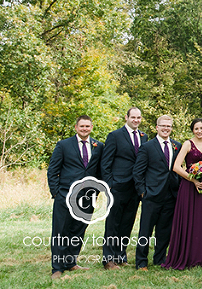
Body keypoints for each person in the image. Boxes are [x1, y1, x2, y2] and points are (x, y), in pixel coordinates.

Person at [47, 115, 104, 279]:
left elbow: (100, 171)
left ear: (91, 127)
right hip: (65, 195)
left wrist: (96, 191)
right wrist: (56, 192)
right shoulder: (63, 145)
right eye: (82, 126)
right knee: (60, 232)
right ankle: (57, 268)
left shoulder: (98, 146)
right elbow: (52, 170)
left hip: (87, 198)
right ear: (76, 127)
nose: (85, 129)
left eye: (87, 126)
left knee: (78, 231)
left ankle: (71, 262)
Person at [163, 118, 202, 269]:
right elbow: (176, 167)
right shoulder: (187, 144)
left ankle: (201, 256)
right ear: (192, 130)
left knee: (201, 220)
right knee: (188, 219)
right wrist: (193, 180)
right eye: (196, 128)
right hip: (189, 187)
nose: (199, 131)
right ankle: (186, 255)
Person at [101, 106, 147, 269]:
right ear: (126, 118)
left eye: (139, 117)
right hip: (117, 187)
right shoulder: (115, 136)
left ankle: (121, 255)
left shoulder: (144, 136)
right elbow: (105, 163)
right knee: (113, 223)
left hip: (135, 188)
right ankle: (108, 259)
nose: (136, 120)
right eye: (133, 117)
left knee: (127, 222)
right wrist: (110, 185)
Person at [133, 115, 181, 270]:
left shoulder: (177, 146)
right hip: (151, 195)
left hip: (170, 194)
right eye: (163, 126)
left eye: (168, 126)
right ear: (157, 127)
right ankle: (141, 261)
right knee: (145, 230)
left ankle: (160, 259)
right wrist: (142, 192)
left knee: (164, 230)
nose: (166, 128)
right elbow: (138, 172)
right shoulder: (147, 147)